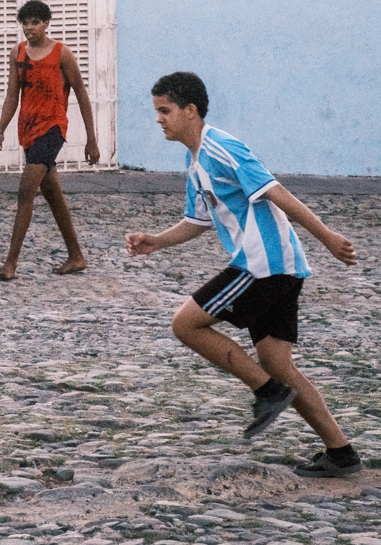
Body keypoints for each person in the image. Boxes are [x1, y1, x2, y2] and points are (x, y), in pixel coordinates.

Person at [125, 71, 362, 477]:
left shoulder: (222, 147)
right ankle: (341, 453)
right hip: (280, 269)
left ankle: (268, 393)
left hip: (262, 266)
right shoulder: (194, 159)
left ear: (190, 110)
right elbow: (197, 220)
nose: (159, 119)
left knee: (185, 324)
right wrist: (157, 240)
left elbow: (276, 192)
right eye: (157, 112)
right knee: (279, 364)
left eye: (165, 111)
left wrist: (327, 236)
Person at [0, 0, 98, 279]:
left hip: (53, 129)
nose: (29, 28)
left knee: (26, 189)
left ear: (46, 23)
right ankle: (76, 256)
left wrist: (91, 140)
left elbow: (82, 96)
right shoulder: (18, 54)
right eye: (25, 23)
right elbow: (12, 95)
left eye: (35, 22)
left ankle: (10, 264)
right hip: (28, 130)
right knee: (53, 196)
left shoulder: (62, 53)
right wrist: (1, 129)